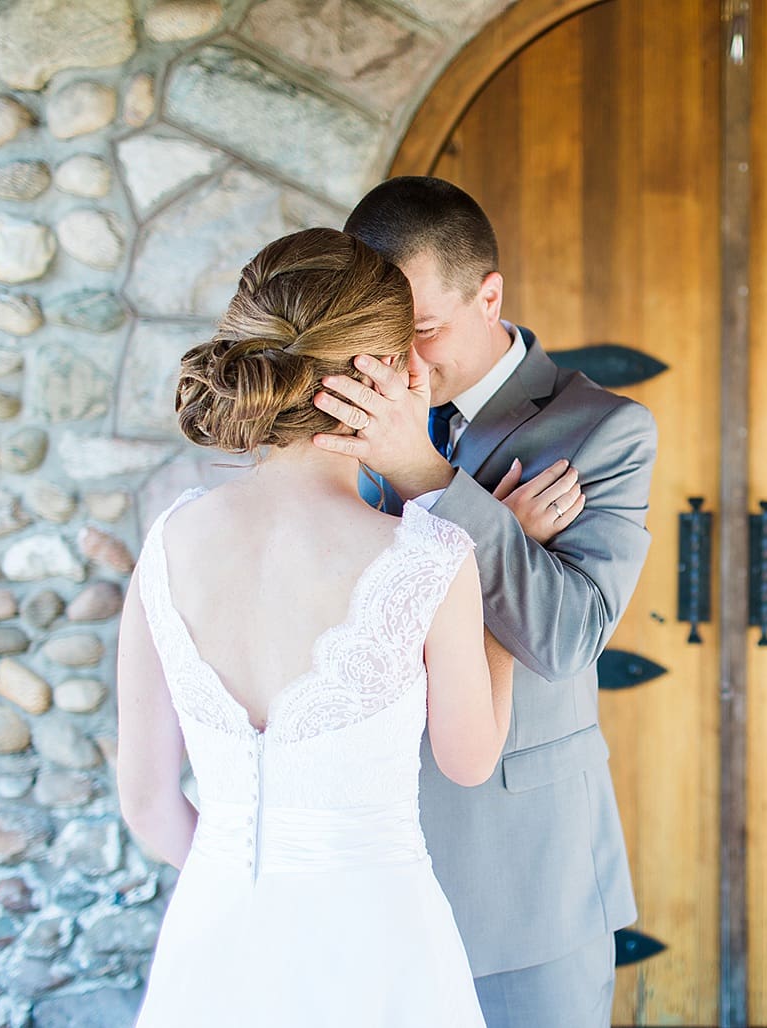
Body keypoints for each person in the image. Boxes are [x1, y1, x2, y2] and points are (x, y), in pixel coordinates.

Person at [116, 228, 515, 1027]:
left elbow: (151, 805)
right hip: (379, 951)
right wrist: (499, 613)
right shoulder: (432, 556)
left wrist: (254, 887)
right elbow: (468, 761)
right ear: (402, 370)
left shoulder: (167, 542)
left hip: (215, 944)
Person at [310, 176, 658, 1026]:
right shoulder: (334, 418)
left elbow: (567, 637)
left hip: (522, 872)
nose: (403, 362)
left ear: (488, 294)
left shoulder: (600, 431)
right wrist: (489, 531)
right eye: (384, 333)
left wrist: (428, 478)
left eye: (423, 329)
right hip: (358, 861)